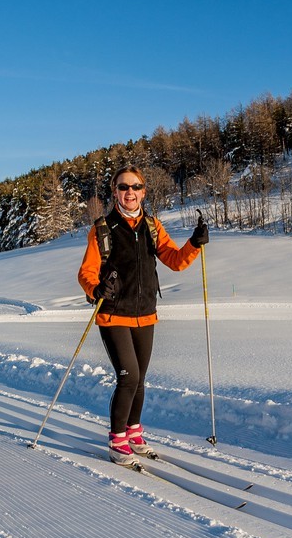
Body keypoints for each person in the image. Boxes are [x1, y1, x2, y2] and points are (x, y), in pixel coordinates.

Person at [78, 165, 208, 464]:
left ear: (143, 191)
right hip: (113, 314)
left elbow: (175, 261)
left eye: (135, 187)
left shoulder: (152, 226)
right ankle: (116, 439)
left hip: (145, 314)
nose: (130, 193)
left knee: (140, 379)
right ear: (115, 193)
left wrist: (194, 243)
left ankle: (134, 431)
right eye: (124, 187)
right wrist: (96, 288)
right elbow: (86, 272)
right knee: (128, 376)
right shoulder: (102, 229)